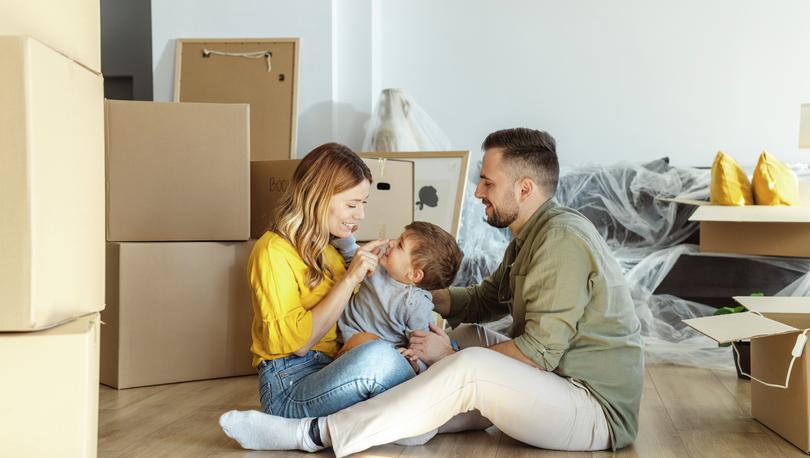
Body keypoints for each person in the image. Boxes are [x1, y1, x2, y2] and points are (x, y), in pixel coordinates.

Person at [220, 128, 644, 456]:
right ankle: (418, 415)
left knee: (467, 362)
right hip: (559, 380)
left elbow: (539, 354)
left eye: (487, 183)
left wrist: (448, 357)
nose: (477, 191)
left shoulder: (560, 241)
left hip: (590, 406)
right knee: (467, 339)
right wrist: (406, 291)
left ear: (524, 188)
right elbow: (484, 299)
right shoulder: (531, 235)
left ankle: (312, 433)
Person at [245, 142, 417, 420]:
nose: (360, 215)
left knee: (387, 352)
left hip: (331, 367)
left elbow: (355, 316)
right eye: (352, 204)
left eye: (363, 203)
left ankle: (422, 411)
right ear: (318, 197)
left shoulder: (330, 250)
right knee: (379, 359)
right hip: (289, 385)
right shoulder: (272, 251)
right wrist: (350, 279)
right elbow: (298, 345)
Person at [333, 221, 464, 374]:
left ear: (414, 274)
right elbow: (353, 257)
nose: (391, 242)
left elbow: (423, 348)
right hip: (340, 338)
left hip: (369, 354)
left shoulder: (416, 304)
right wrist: (345, 233)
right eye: (398, 238)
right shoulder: (377, 266)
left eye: (400, 245)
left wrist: (414, 363)